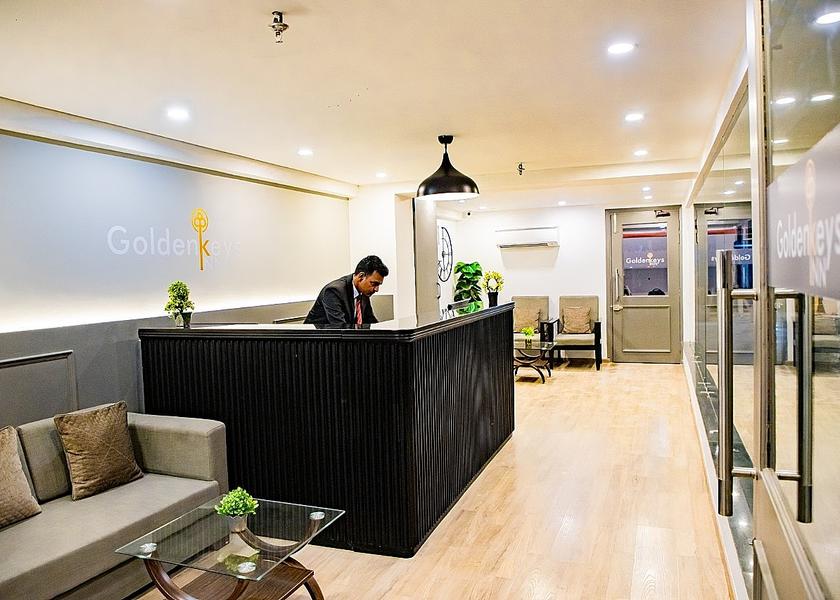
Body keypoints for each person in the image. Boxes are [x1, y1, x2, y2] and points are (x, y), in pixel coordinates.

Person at [304, 256, 389, 325]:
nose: (376, 289)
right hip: (316, 340)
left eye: (379, 285)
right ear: (361, 276)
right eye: (374, 284)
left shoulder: (363, 292)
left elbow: (370, 321)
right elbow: (340, 327)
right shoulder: (334, 291)